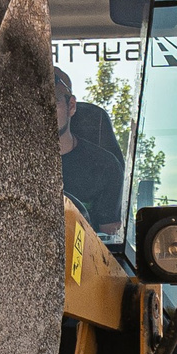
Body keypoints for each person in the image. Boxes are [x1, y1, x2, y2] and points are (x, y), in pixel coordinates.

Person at [54, 66, 127, 234]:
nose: (44, 111)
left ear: (71, 106)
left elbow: (111, 243)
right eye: (36, 103)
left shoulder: (105, 167)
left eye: (54, 101)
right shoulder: (10, 166)